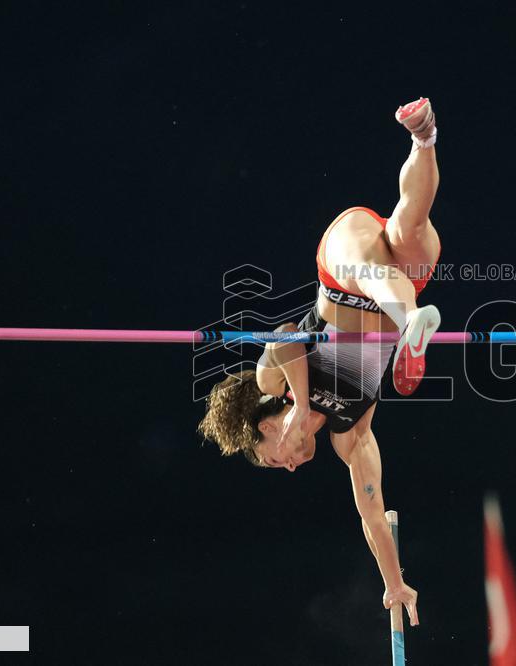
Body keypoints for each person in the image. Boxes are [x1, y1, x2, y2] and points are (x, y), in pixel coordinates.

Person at [199, 97, 444, 628]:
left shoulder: (275, 381)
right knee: (409, 229)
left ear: (264, 422)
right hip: (398, 292)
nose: (288, 466)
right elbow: (372, 517)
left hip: (342, 267)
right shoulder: (348, 436)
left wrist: (300, 404)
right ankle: (424, 136)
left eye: (271, 457)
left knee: (368, 269)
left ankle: (412, 325)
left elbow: (286, 336)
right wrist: (395, 583)